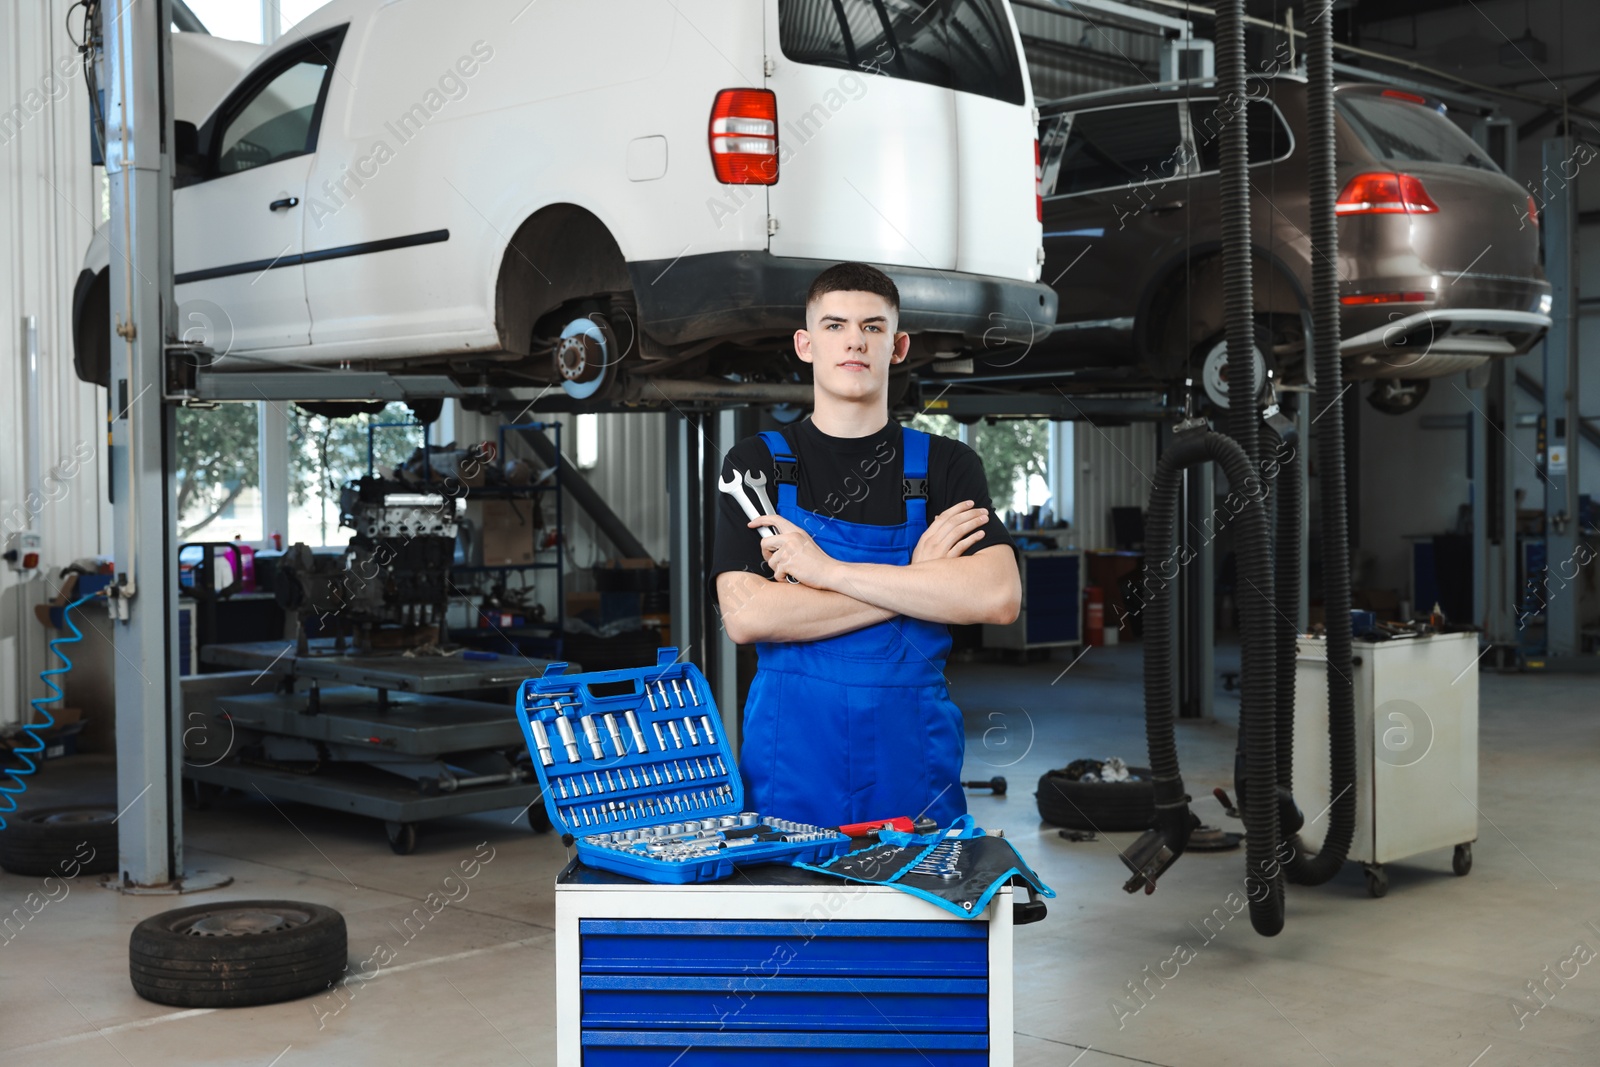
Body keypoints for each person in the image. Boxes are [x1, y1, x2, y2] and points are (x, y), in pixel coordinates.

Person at [711, 261, 1021, 830]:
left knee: (919, 918)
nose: (854, 340)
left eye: (873, 327)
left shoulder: (946, 467)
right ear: (805, 344)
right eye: (834, 326)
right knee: (791, 913)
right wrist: (918, 579)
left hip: (914, 766)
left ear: (898, 346)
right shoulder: (758, 467)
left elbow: (996, 597)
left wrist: (823, 570)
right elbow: (749, 616)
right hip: (792, 765)